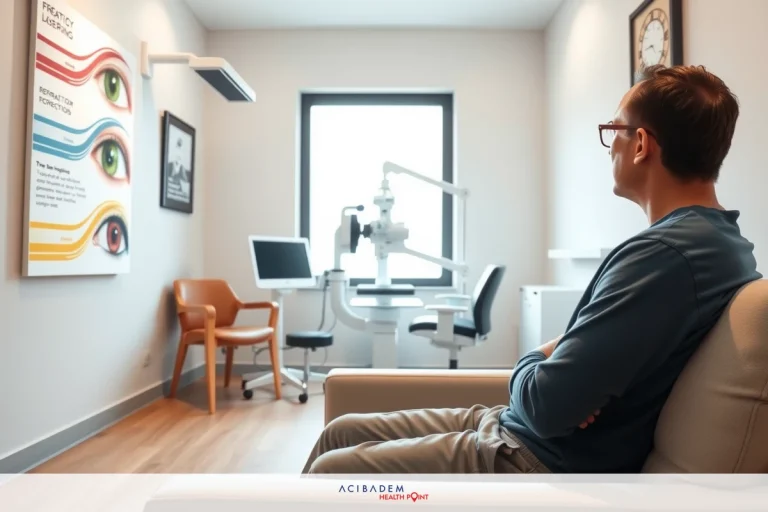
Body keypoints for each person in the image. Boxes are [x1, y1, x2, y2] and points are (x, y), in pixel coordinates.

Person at [301, 64, 763, 474]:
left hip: (532, 456)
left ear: (640, 144)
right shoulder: (724, 243)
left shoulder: (666, 255)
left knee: (332, 471)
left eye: (613, 130)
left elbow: (547, 405)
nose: (609, 148)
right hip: (510, 425)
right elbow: (563, 387)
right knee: (338, 432)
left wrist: (532, 359)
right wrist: (555, 365)